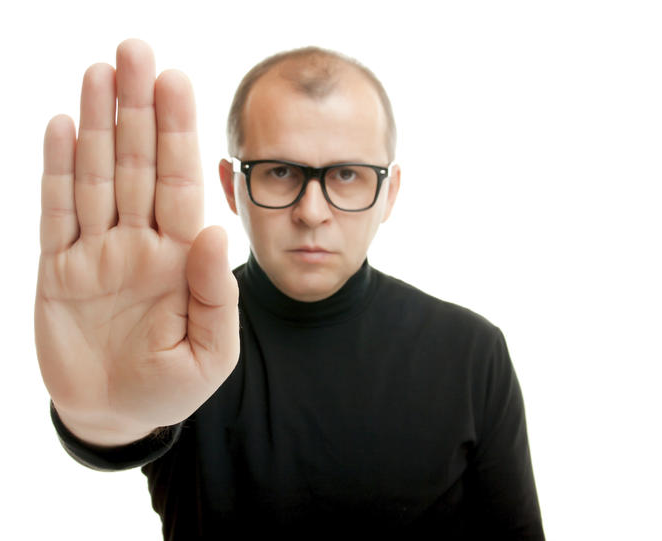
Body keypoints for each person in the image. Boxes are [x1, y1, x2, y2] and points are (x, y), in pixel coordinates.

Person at [36, 39, 544, 539]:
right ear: (232, 185)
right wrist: (100, 419)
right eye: (280, 172)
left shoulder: (473, 352)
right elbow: (122, 426)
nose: (312, 212)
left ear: (388, 193)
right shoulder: (171, 336)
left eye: (347, 174)